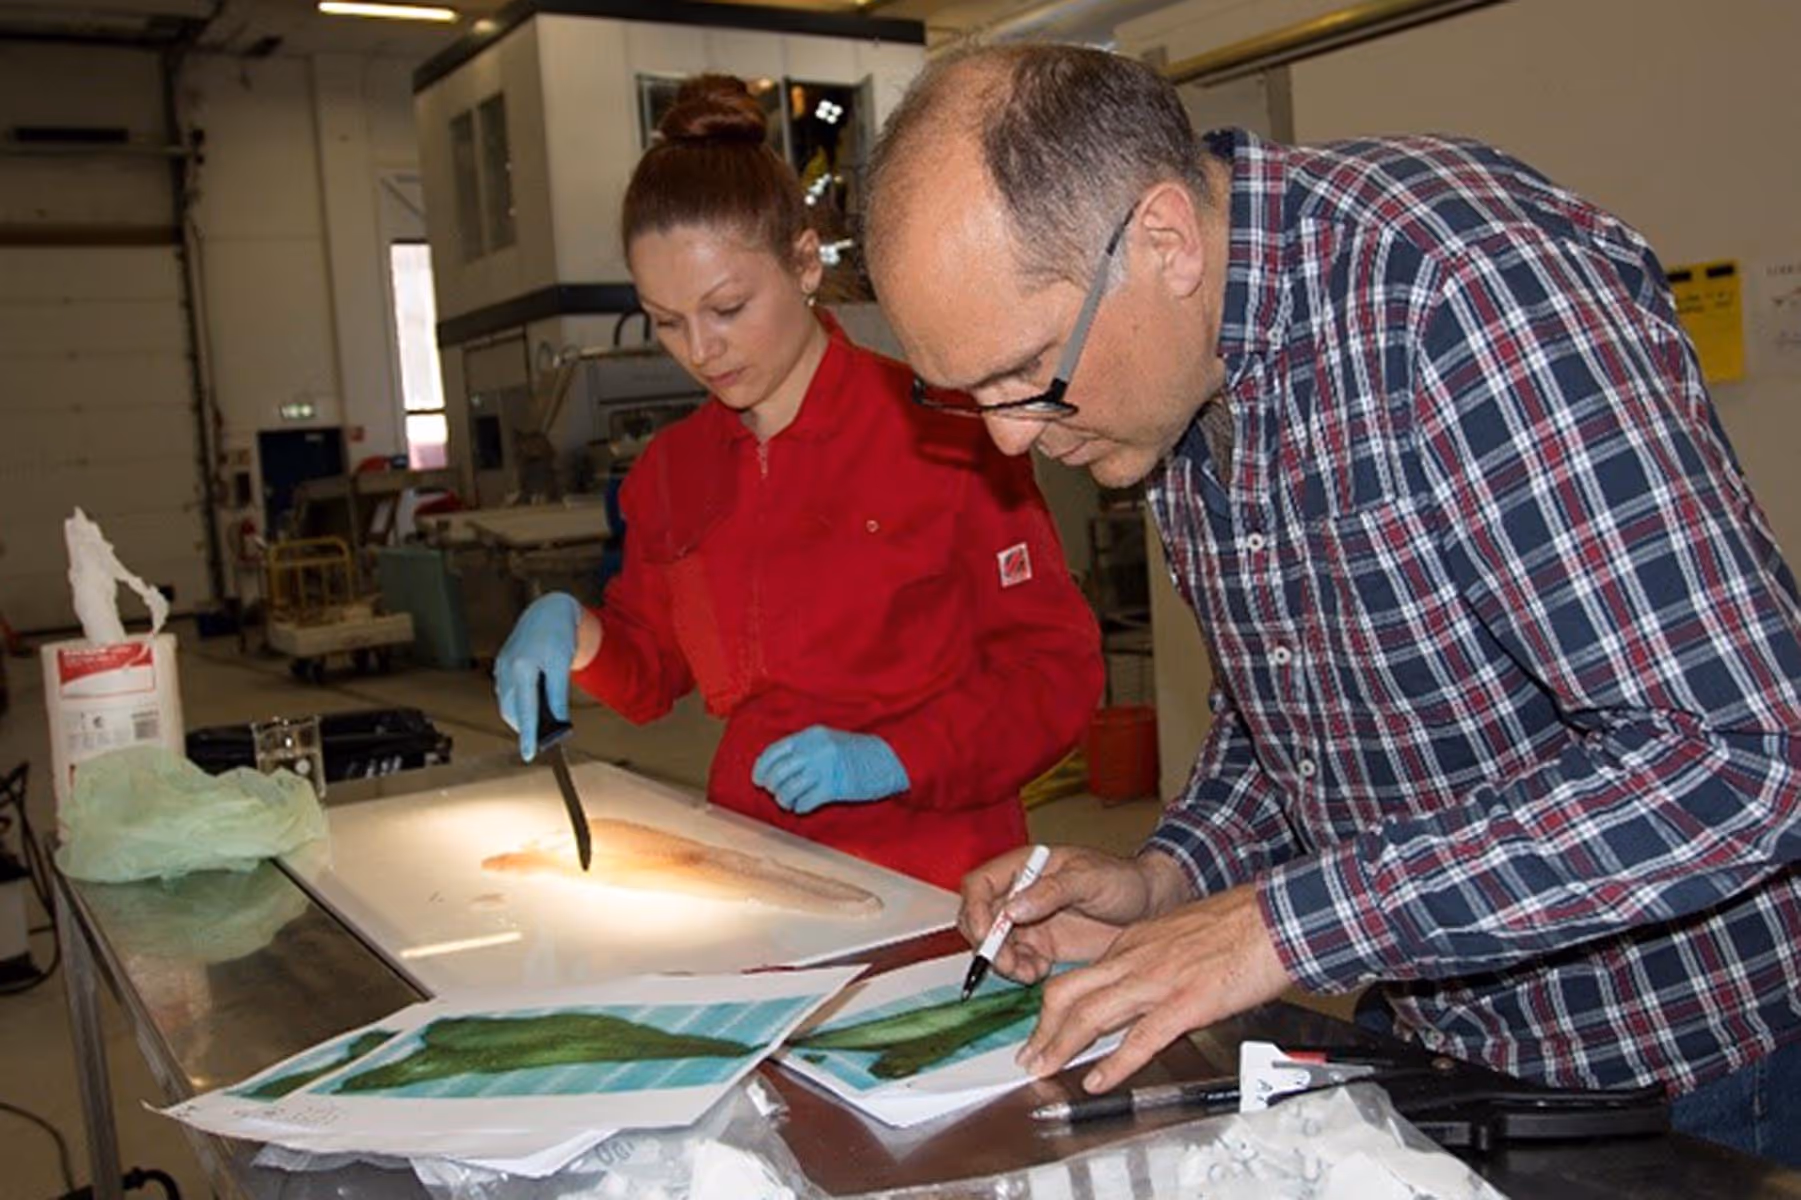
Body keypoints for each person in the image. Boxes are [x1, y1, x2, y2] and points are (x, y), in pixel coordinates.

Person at [863, 44, 1801, 1164]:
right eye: (966, 395)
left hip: (1687, 1068)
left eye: (1024, 376)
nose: (1012, 436)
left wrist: (1281, 925)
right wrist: (1170, 878)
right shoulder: (1166, 380)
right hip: (1436, 1037)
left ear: (1161, 240)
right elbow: (1303, 714)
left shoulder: (1465, 294)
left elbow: (1744, 752)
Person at [493, 75, 1102, 892]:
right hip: (753, 869)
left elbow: (1053, 672)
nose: (700, 350)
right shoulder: (675, 470)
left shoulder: (944, 434)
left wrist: (894, 758)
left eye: (728, 308)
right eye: (667, 322)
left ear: (805, 263)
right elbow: (649, 676)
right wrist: (571, 629)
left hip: (939, 880)